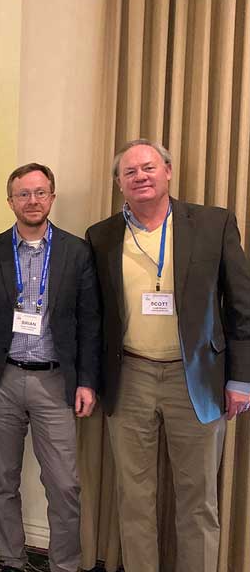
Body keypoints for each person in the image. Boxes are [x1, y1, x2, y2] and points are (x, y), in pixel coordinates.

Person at [86, 139, 250, 572]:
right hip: (130, 376)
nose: (140, 176)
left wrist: (241, 379)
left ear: (168, 172)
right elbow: (95, 316)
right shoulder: (101, 236)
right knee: (135, 497)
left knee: (198, 500)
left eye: (148, 168)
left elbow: (241, 307)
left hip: (196, 378)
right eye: (129, 172)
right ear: (119, 183)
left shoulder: (213, 223)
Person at [0, 163, 101, 572]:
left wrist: (88, 382)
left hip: (56, 382)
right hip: (1, 381)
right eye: (23, 194)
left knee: (64, 485)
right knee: (3, 481)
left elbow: (90, 323)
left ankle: (65, 565)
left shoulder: (77, 252)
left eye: (40, 192)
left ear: (52, 197)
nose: (32, 201)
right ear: (10, 202)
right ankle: (11, 559)